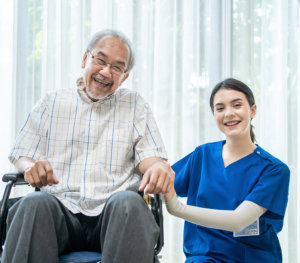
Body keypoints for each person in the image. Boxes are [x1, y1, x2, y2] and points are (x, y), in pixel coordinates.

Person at [2, 29, 173, 263]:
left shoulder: (135, 106)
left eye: (117, 67)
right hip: (59, 213)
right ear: (85, 59)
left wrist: (158, 167)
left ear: (124, 77)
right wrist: (31, 166)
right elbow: (22, 153)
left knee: (129, 203)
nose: (105, 72)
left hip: (113, 217)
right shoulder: (51, 102)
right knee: (33, 204)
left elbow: (150, 158)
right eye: (100, 60)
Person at [164, 78, 290, 263]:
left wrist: (177, 208)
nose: (229, 114)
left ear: (252, 110)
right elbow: (161, 183)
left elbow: (238, 220)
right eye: (220, 108)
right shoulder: (202, 155)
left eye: (237, 105)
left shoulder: (274, 170)